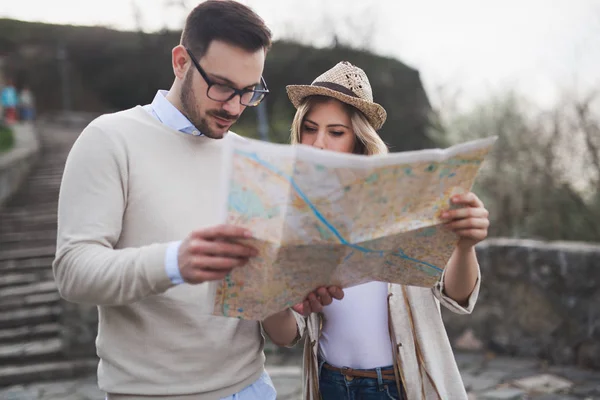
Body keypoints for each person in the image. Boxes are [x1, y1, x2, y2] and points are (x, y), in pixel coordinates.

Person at [53, 2, 341, 399]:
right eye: (222, 86)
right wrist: (175, 262)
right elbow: (73, 271)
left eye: (248, 92)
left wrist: (287, 290)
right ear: (180, 61)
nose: (234, 107)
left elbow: (279, 325)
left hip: (253, 388)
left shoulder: (252, 161)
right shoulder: (109, 139)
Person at [286, 61, 490, 399]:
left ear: (358, 140)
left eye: (335, 132)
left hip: (398, 385)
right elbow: (287, 333)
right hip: (329, 385)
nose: (318, 143)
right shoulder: (293, 216)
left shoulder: (405, 204)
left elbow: (455, 296)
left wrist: (464, 246)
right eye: (309, 128)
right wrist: (270, 294)